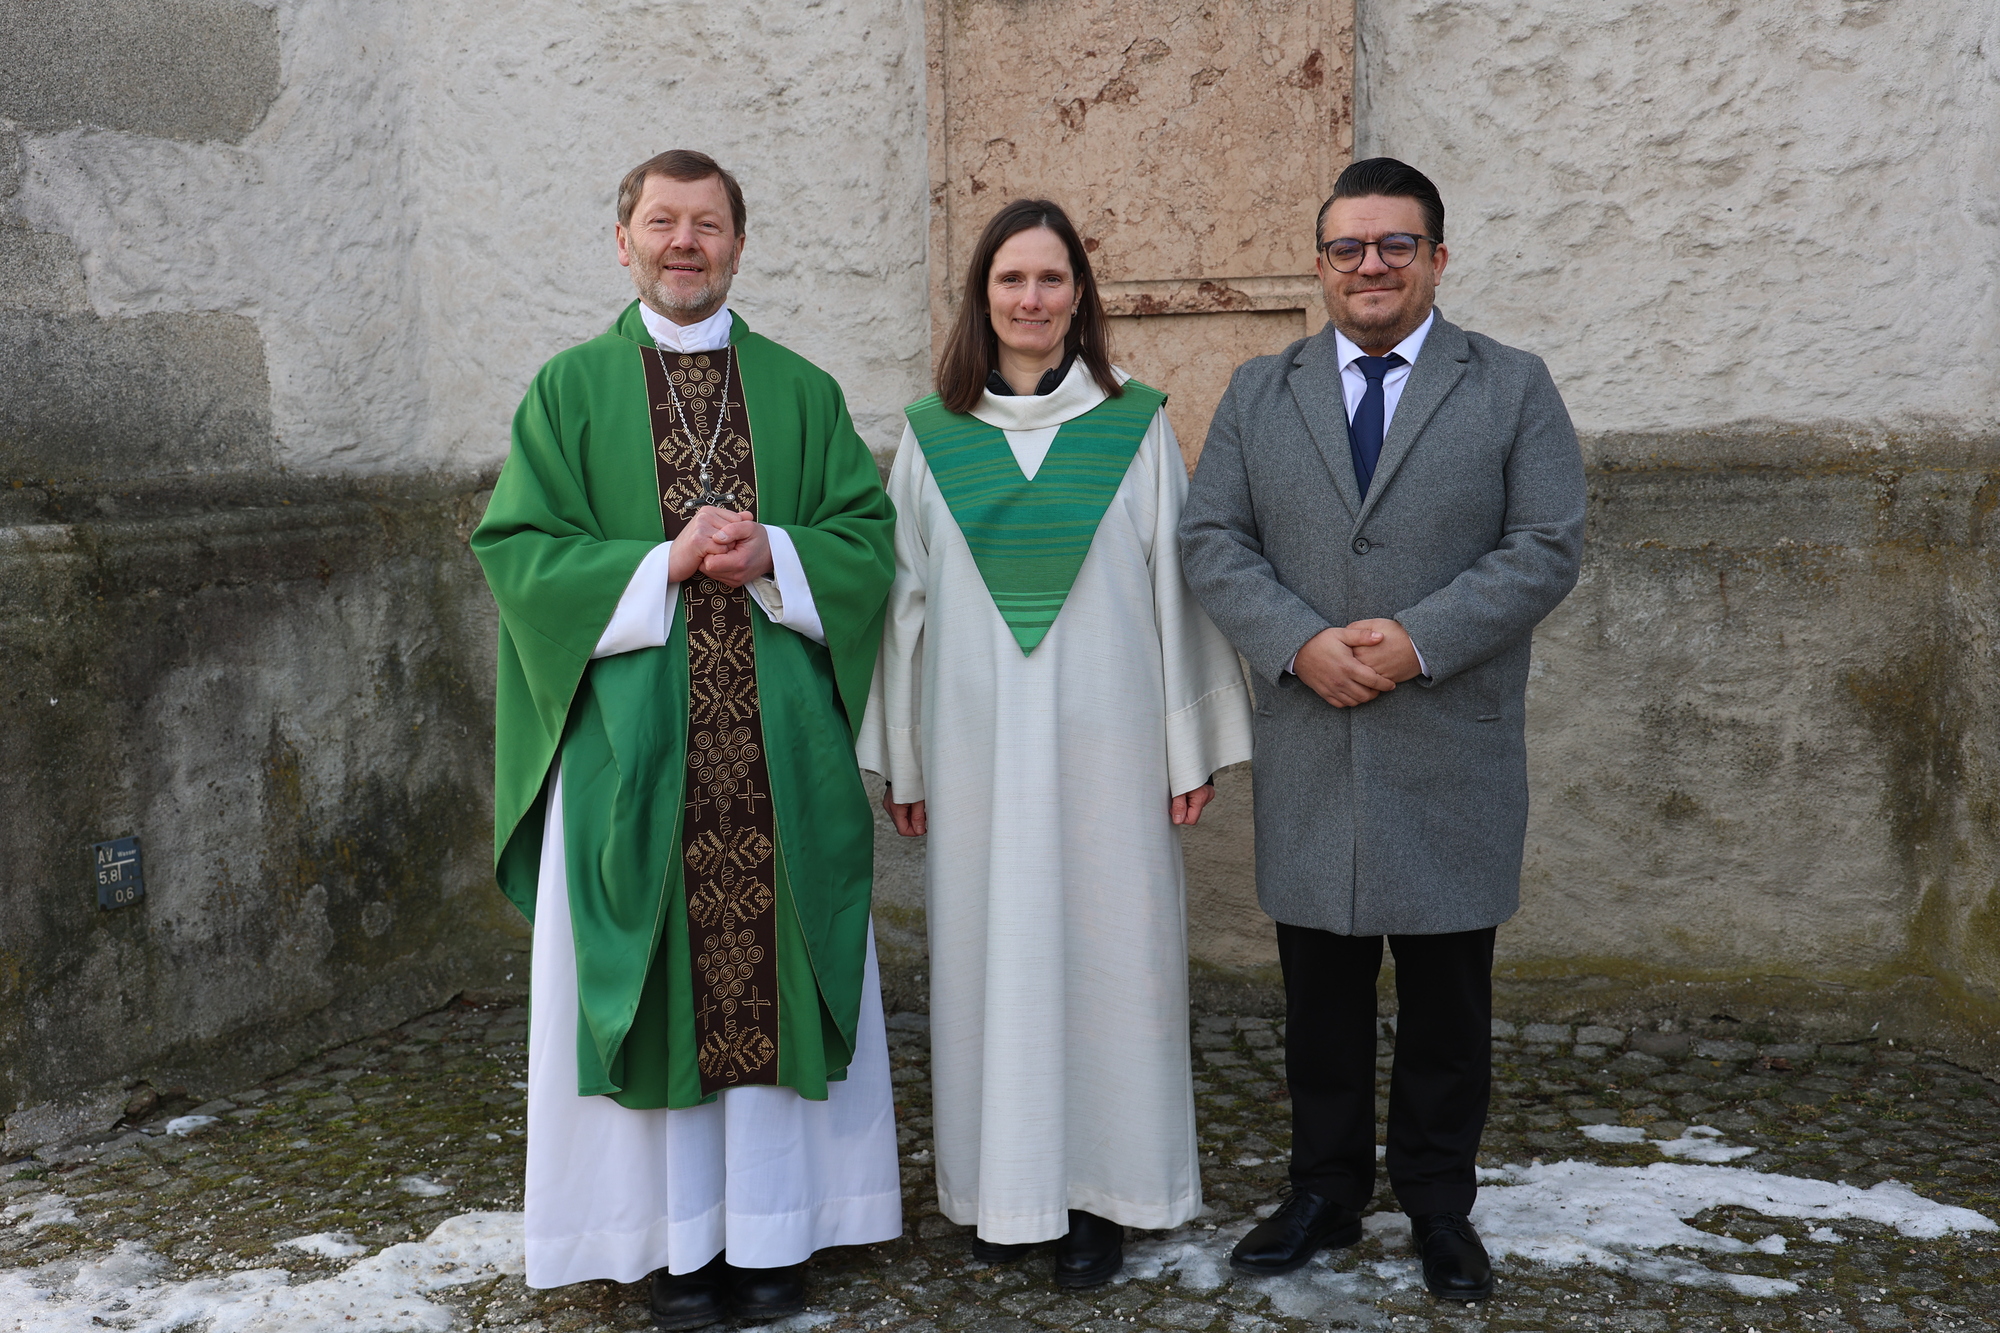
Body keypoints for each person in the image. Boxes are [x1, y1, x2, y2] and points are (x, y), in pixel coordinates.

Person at [470, 149, 901, 1331]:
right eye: (661, 222)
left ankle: (773, 1234)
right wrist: (661, 562)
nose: (683, 243)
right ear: (623, 242)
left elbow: (867, 541)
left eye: (706, 224)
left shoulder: (801, 391)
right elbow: (519, 554)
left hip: (777, 753)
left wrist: (778, 553)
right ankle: (669, 1243)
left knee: (776, 963)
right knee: (656, 967)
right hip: (636, 751)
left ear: (738, 245)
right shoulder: (568, 390)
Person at [1178, 157, 1586, 1302]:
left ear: (1435, 258)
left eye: (1395, 244)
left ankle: (1438, 1205)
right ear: (1319, 266)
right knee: (1319, 994)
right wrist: (1297, 642)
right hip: (1314, 733)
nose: (1371, 265)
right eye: (1348, 247)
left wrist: (1417, 638)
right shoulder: (1259, 390)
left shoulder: (1509, 385)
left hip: (1447, 737)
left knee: (1447, 999)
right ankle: (1322, 1191)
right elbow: (1211, 538)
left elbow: (1544, 543)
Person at [857, 198, 1253, 1288]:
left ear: (1079, 295)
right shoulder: (933, 438)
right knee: (988, 961)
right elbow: (904, 609)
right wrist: (906, 759)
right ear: (982, 298)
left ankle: (1101, 1198)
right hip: (975, 755)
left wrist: (1186, 747)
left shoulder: (1133, 426)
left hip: (1109, 754)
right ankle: (1006, 1193)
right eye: (1010, 280)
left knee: (1113, 960)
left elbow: (1177, 590)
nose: (1030, 299)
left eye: (1050, 278)